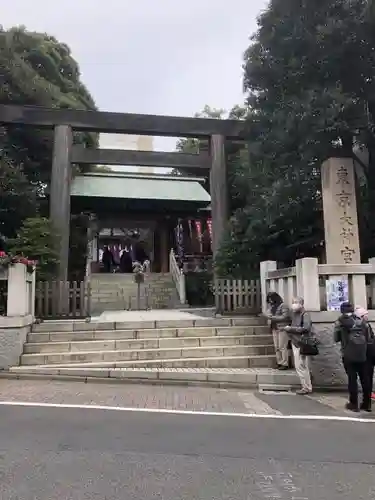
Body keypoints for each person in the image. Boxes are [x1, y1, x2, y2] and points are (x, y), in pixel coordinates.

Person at [334, 302, 371, 412]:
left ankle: (354, 404)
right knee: (365, 379)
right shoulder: (362, 321)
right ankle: (367, 404)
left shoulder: (339, 322)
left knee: (352, 379)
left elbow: (336, 338)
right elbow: (368, 338)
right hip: (362, 354)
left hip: (348, 354)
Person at [283, 297, 313, 395]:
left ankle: (306, 387)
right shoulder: (294, 314)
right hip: (295, 342)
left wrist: (291, 329)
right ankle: (307, 386)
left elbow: (306, 328)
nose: (294, 304)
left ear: (301, 304)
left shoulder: (305, 314)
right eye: (293, 302)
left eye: (296, 302)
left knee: (301, 365)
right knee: (302, 365)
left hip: (301, 343)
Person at [355, 306, 375, 403]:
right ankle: (367, 397)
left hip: (369, 354)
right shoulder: (362, 326)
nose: (367, 316)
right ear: (361, 316)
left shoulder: (367, 325)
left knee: (368, 376)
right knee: (366, 377)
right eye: (365, 315)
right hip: (366, 354)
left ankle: (368, 394)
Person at [266, 292, 291, 370]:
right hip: (274, 328)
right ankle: (279, 362)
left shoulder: (283, 306)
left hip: (282, 328)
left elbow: (285, 317)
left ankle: (285, 363)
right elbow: (269, 315)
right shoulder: (271, 307)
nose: (270, 301)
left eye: (271, 299)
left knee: (282, 346)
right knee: (276, 347)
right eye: (269, 300)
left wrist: (272, 317)